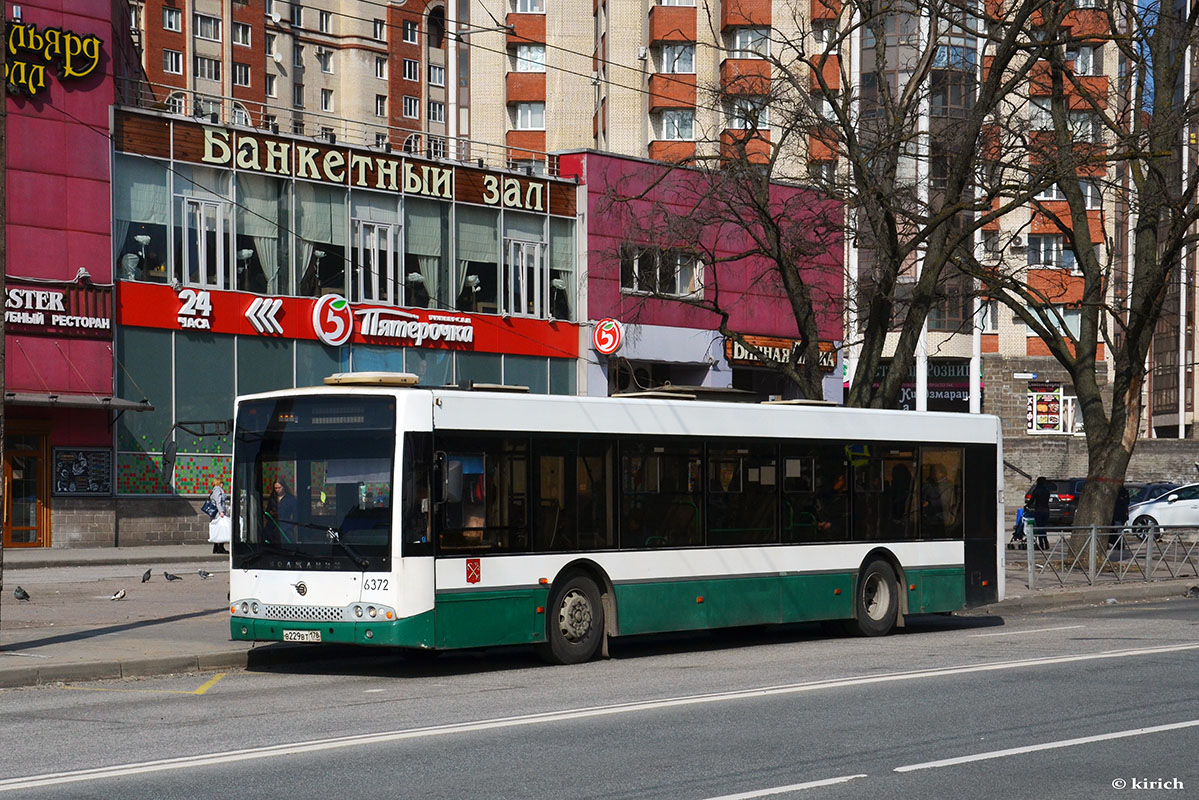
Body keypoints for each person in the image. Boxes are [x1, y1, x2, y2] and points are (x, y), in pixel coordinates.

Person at [206, 484, 230, 554]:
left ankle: (216, 548)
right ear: (219, 483)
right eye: (222, 483)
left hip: (216, 514)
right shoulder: (217, 490)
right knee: (221, 530)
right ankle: (220, 547)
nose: (223, 484)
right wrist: (221, 512)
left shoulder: (215, 490)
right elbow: (218, 502)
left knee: (218, 530)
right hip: (218, 514)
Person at [1029, 476, 1052, 551]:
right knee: (1043, 527)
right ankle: (1046, 542)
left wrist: (1027, 506)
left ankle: (1041, 544)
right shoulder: (1047, 490)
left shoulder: (1036, 490)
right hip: (1046, 510)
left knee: (1039, 527)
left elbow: (1032, 500)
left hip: (1038, 510)